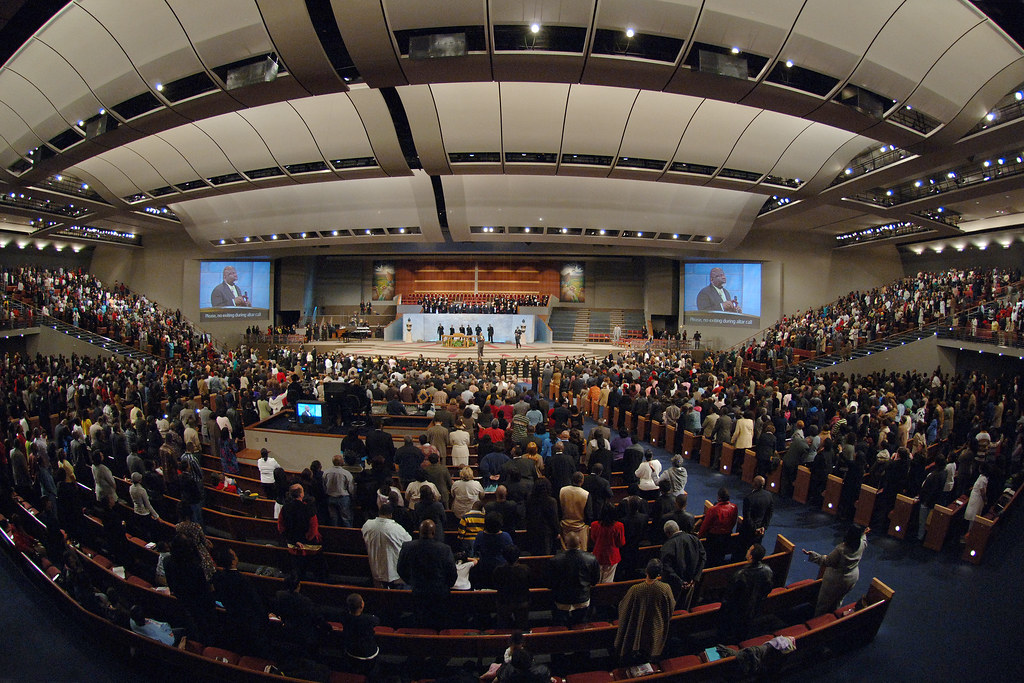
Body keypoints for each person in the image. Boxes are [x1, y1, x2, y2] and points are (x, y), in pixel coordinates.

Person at [397, 519, 458, 629]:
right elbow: (452, 573)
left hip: (417, 590)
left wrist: (411, 581)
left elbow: (401, 569)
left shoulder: (408, 547)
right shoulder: (444, 549)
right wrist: (445, 585)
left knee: (419, 622)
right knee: (438, 622)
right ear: (434, 533)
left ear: (419, 532)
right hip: (439, 593)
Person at [614, 559, 676, 666]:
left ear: (646, 571)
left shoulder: (635, 589)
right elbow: (671, 606)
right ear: (659, 573)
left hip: (636, 626)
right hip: (655, 626)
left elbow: (623, 606)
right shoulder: (665, 588)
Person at [802, 525, 868, 616]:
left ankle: (817, 622)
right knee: (838, 599)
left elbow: (827, 561)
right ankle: (832, 617)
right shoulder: (861, 544)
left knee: (823, 604)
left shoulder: (841, 549)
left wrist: (813, 555)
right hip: (851, 578)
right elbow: (863, 538)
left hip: (836, 580)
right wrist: (864, 533)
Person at [717, 543, 774, 643]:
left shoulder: (740, 574)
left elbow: (730, 596)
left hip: (738, 610)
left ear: (750, 556)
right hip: (755, 608)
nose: (747, 550)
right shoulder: (767, 570)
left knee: (731, 634)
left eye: (749, 550)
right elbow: (767, 588)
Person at [548, 531, 600, 627]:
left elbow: (550, 582)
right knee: (581, 625)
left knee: (561, 626)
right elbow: (595, 580)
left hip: (561, 600)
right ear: (580, 542)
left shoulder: (555, 560)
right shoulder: (591, 558)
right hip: (582, 599)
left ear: (565, 544)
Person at [278, 484, 323, 581]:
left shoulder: (285, 508)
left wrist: (293, 540)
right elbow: (313, 527)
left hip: (292, 544)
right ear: (301, 494)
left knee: (297, 568)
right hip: (309, 545)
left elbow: (281, 527)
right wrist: (305, 540)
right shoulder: (309, 508)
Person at [361, 502, 411, 588]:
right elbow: (408, 540)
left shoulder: (367, 525)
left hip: (375, 567)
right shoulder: (396, 528)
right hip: (392, 569)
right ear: (391, 515)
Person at [660, 517, 705, 608]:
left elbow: (667, 567)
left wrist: (680, 582)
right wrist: (696, 577)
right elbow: (703, 557)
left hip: (675, 586)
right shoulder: (694, 539)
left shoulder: (667, 546)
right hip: (692, 582)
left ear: (668, 533)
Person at [339, 593, 380, 676]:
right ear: (362, 605)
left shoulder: (344, 617)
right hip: (369, 653)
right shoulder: (369, 619)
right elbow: (377, 620)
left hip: (351, 651)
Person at [699, 487, 738, 566]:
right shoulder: (734, 507)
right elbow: (733, 522)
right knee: (721, 556)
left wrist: (699, 536)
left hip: (713, 538)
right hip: (726, 536)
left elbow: (705, 525)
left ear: (719, 498)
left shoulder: (713, 509)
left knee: (710, 557)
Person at [737, 476, 773, 561]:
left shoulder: (749, 498)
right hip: (761, 531)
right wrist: (763, 527)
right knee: (755, 552)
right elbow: (769, 514)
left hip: (748, 531)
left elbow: (747, 517)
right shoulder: (769, 495)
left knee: (743, 551)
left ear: (754, 484)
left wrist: (754, 529)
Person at [590, 503, 625, 583]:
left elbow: (593, 538)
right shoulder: (619, 526)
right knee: (608, 581)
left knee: (596, 580)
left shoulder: (594, 525)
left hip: (598, 554)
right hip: (612, 555)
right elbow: (621, 542)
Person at [559, 471, 591, 549]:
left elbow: (559, 509)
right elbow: (589, 513)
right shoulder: (585, 494)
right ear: (582, 481)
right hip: (580, 527)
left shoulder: (562, 490)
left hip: (565, 525)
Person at [323, 454, 354, 527]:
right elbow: (350, 487)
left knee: (333, 519)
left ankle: (334, 533)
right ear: (340, 462)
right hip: (343, 498)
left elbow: (324, 485)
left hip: (330, 497)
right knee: (346, 519)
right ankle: (348, 532)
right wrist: (352, 496)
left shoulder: (326, 472)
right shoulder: (346, 473)